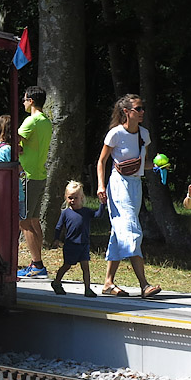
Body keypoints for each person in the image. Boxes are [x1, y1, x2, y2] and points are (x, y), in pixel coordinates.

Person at [96, 94, 161, 298]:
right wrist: (100, 186)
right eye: (138, 109)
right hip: (118, 185)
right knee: (131, 229)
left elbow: (143, 163)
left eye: (142, 109)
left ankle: (108, 283)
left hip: (135, 186)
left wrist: (158, 166)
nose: (142, 112)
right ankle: (144, 285)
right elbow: (101, 161)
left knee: (119, 231)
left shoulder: (144, 135)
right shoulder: (115, 134)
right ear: (126, 112)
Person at [17, 86, 54, 279]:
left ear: (31, 100)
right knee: (33, 221)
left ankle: (37, 265)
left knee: (23, 222)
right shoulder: (46, 121)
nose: (23, 102)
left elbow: (14, 141)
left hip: (27, 176)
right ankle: (36, 262)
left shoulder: (30, 121)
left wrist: (18, 148)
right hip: (40, 175)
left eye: (24, 99)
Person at [51, 182, 102, 297]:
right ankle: (57, 282)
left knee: (85, 267)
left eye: (75, 198)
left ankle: (87, 289)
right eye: (70, 198)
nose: (73, 200)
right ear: (66, 197)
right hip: (71, 245)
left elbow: (98, 215)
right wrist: (56, 239)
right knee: (67, 265)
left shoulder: (86, 212)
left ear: (82, 198)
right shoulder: (66, 213)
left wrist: (102, 204)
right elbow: (59, 227)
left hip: (84, 244)